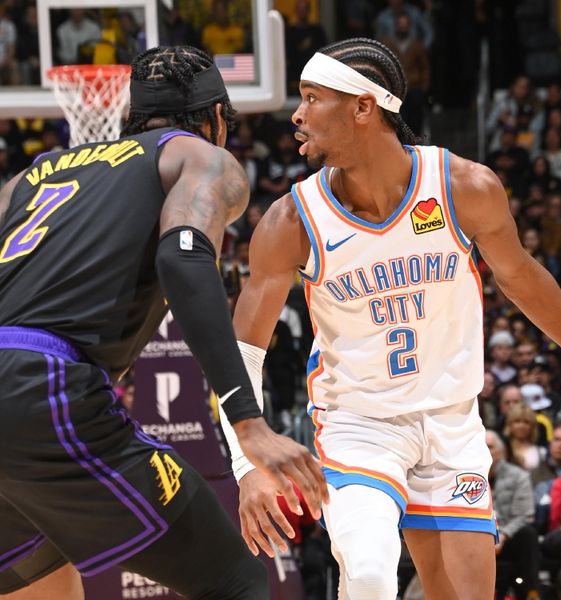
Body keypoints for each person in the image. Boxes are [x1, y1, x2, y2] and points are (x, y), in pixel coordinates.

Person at [231, 38, 561, 600]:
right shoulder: (291, 219)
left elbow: (520, 278)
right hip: (357, 426)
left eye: (312, 98)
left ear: (363, 106)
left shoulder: (464, 187)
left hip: (451, 422)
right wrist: (246, 466)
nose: (296, 114)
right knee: (367, 572)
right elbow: (243, 351)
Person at [0, 46, 327, 598]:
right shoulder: (199, 158)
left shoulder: (29, 179)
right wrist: (246, 420)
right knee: (236, 579)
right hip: (43, 390)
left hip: (21, 393)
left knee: (44, 581)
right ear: (216, 117)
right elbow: (181, 257)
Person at [486, 430, 539, 600]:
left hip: (508, 539)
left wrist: (503, 535)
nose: (485, 451)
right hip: (478, 535)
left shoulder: (519, 476)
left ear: (501, 451)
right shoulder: (465, 478)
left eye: (490, 447)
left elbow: (525, 515)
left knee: (528, 534)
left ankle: (531, 593)